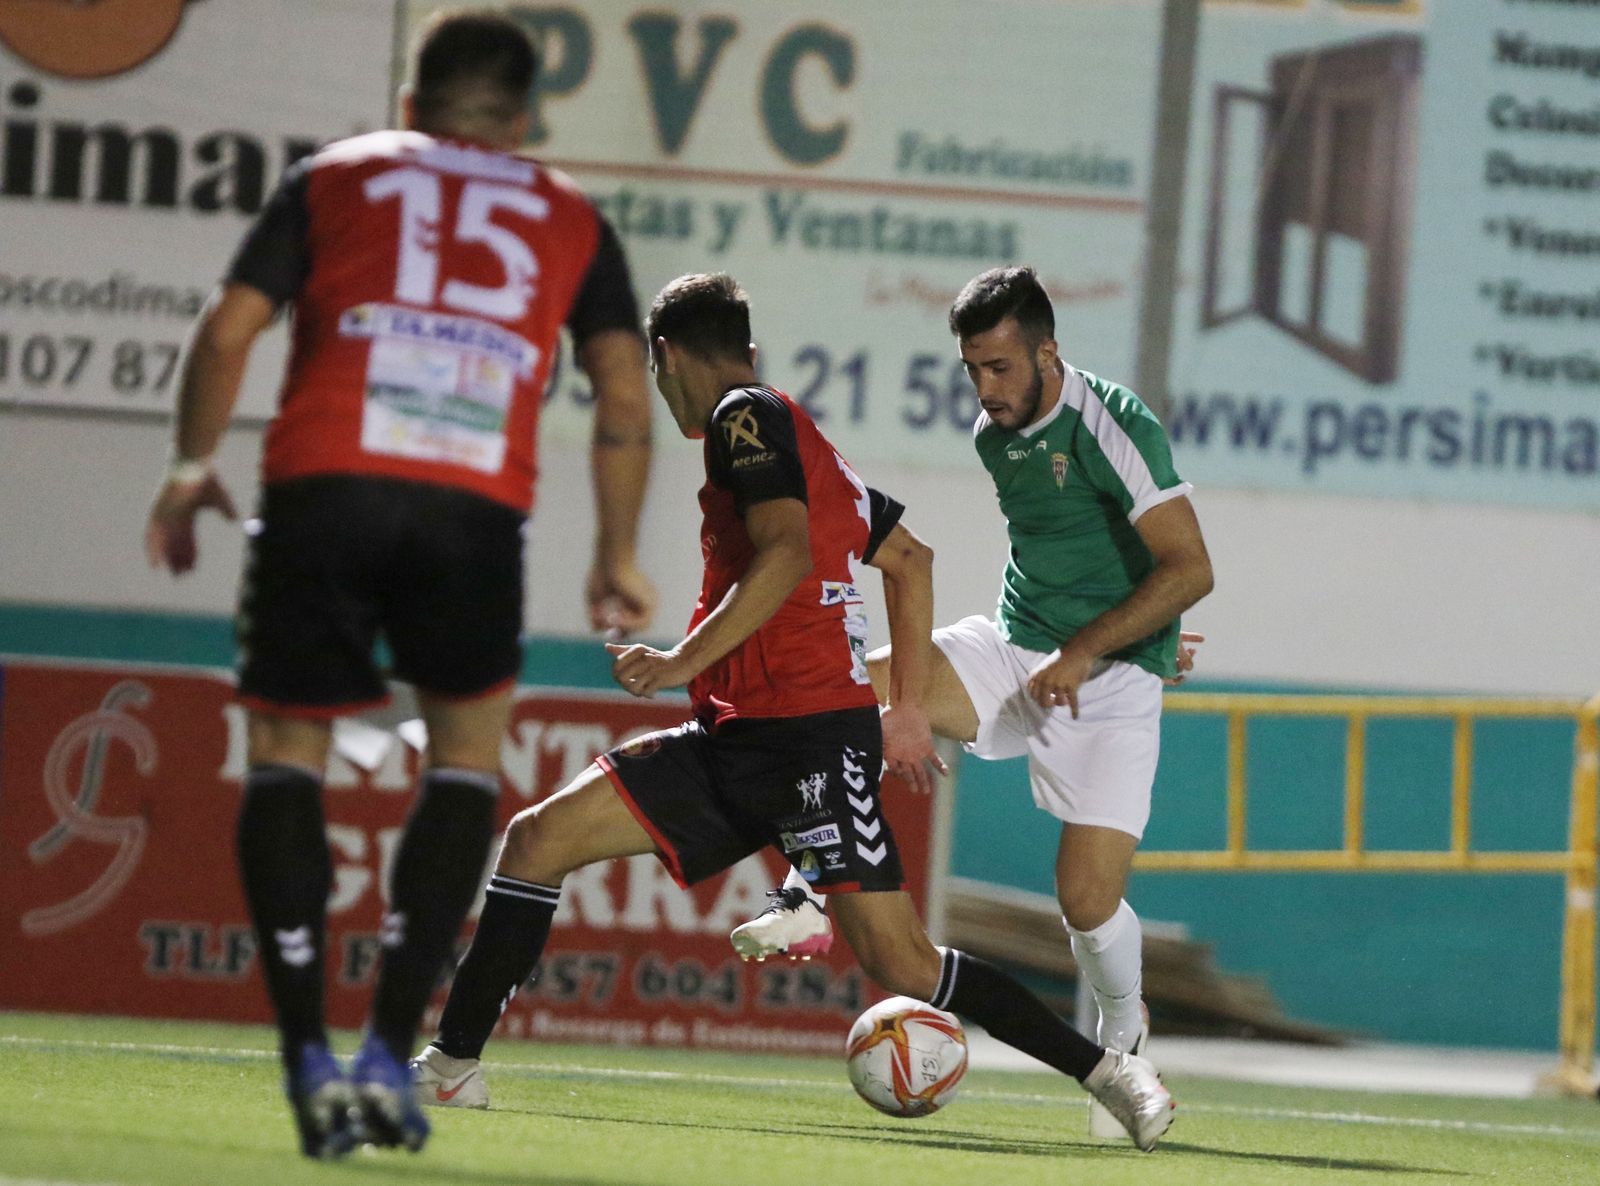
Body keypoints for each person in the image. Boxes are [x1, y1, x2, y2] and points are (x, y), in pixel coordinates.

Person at [405, 272, 1176, 1152]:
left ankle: (1110, 1072)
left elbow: (782, 551)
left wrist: (678, 659)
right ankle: (451, 1067)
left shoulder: (742, 417)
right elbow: (911, 558)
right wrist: (906, 705)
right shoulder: (798, 436)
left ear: (665, 357)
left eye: (656, 376)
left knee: (905, 966)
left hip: (810, 739)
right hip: (732, 733)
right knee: (537, 840)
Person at [142, 10, 656, 1159]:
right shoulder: (570, 213)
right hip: (474, 505)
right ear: (523, 121)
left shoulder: (336, 175)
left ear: (410, 104)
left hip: (324, 486)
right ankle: (386, 1052)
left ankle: (305, 1067)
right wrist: (617, 550)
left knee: (287, 756)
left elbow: (228, 332)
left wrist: (187, 473)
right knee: (465, 759)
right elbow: (624, 389)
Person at [730, 265, 1212, 1135]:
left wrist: (1106, 645)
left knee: (1086, 901)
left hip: (1108, 680)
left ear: (1047, 352)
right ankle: (806, 888)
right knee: (850, 694)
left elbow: (1191, 568)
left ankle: (1124, 1029)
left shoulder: (1114, 424)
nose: (985, 388)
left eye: (999, 367)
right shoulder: (998, 435)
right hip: (1013, 644)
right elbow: (1069, 557)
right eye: (972, 370)